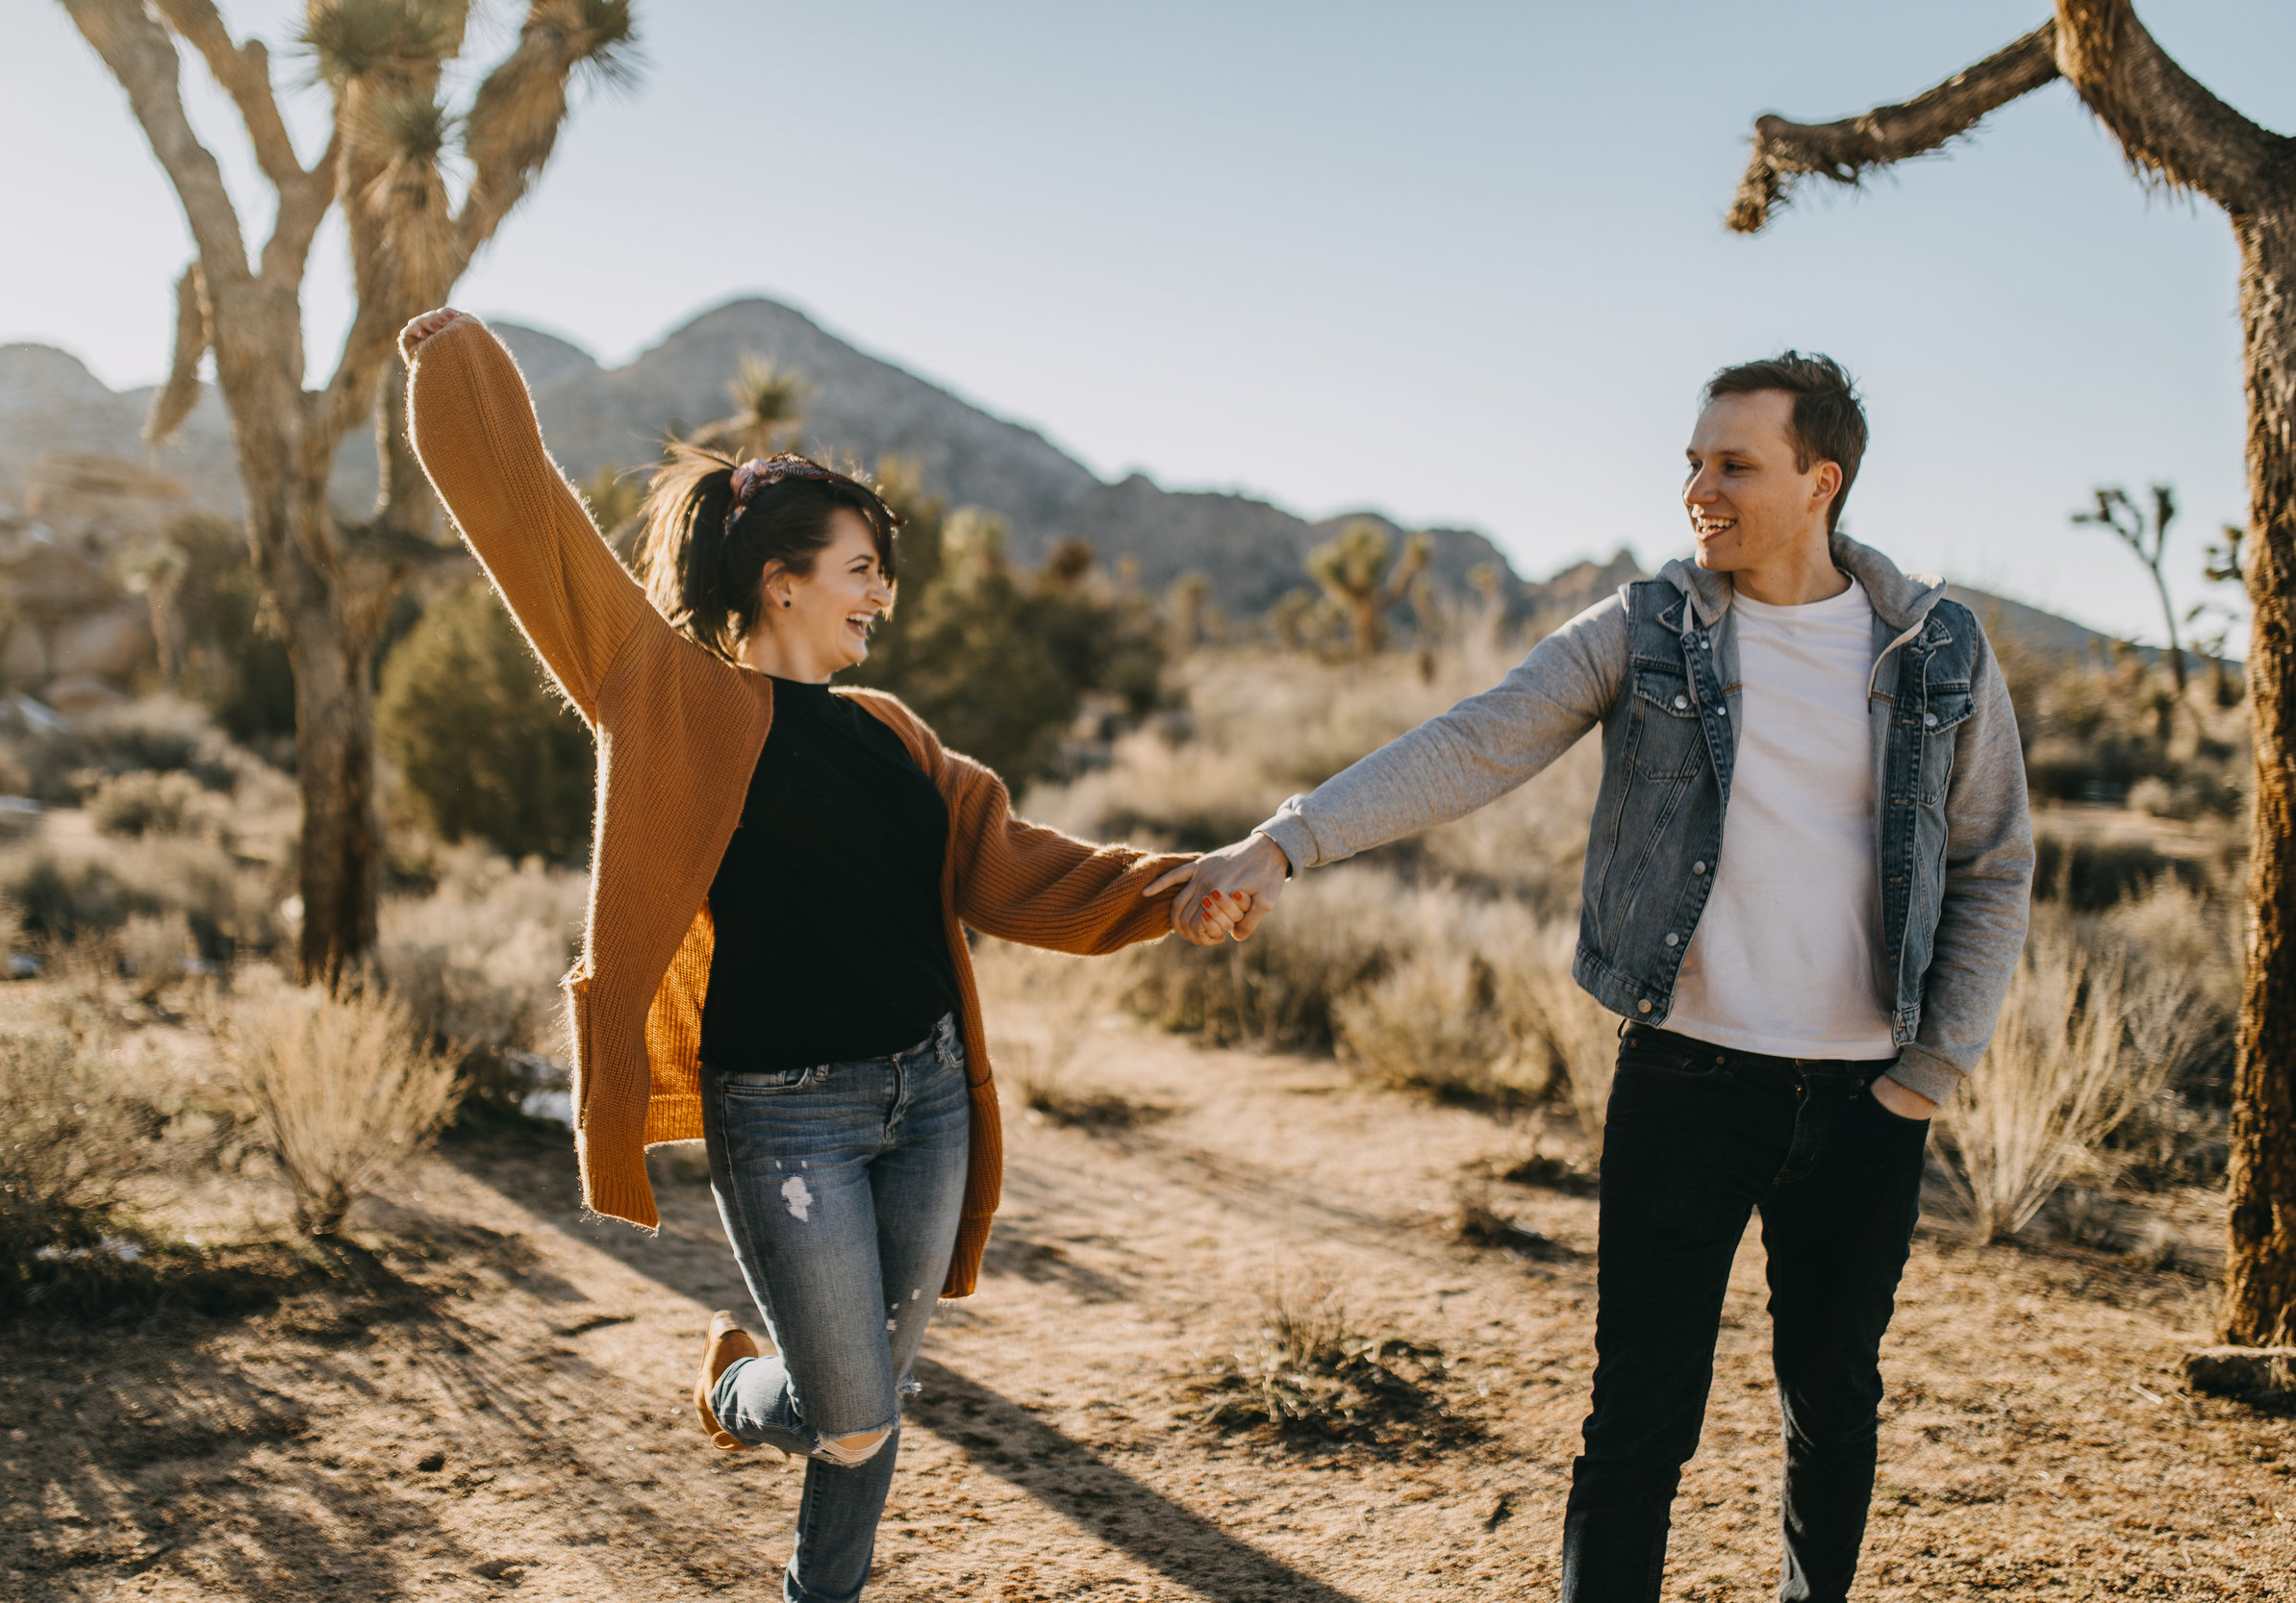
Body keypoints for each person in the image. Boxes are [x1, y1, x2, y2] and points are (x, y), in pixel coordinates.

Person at [1154, 353, 2032, 1603]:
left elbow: (1995, 859)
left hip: (1864, 1106)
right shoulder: (1649, 628)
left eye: (1732, 464)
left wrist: (1929, 1074)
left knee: (1831, 1409)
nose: (1697, 489)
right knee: (1637, 1425)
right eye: (1691, 460)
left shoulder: (1935, 648)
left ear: (1819, 481)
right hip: (1685, 1086)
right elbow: (1475, 740)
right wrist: (1286, 840)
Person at [399, 308, 1244, 1603]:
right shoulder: (669, 696)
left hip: (927, 1098)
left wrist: (1178, 891)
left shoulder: (895, 734)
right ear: (779, 578)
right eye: (860, 568)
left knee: (876, 1403)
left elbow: (1015, 865)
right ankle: (741, 1388)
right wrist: (460, 366)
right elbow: (534, 539)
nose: (881, 595)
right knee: (841, 1410)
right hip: (784, 1117)